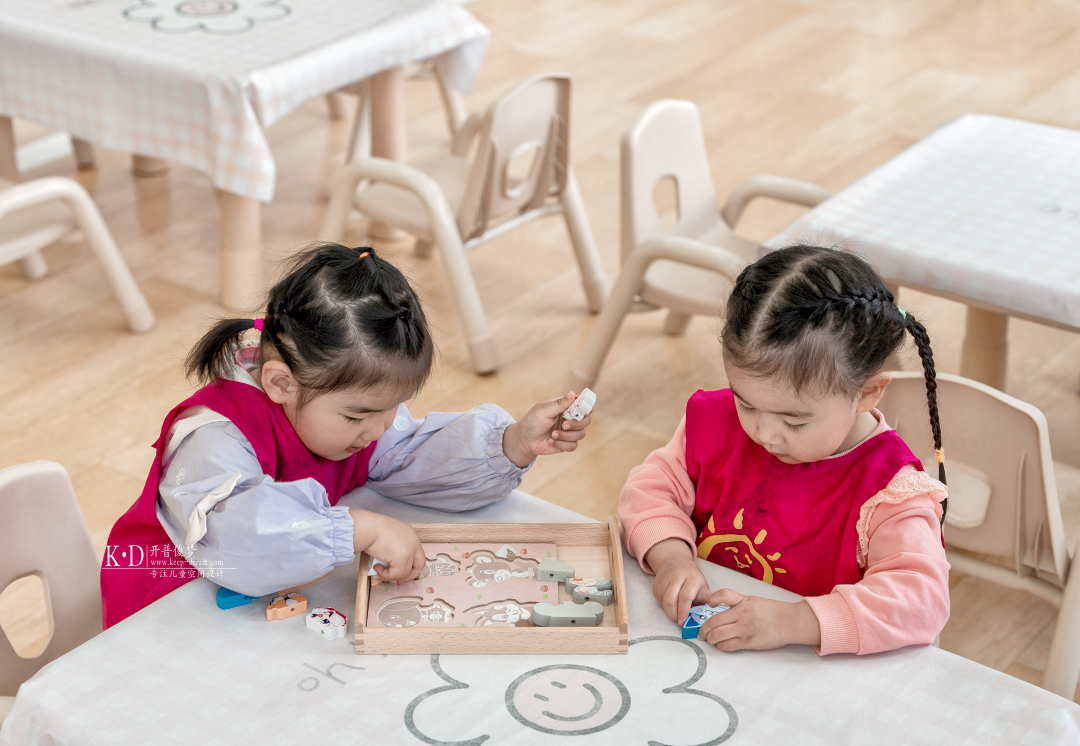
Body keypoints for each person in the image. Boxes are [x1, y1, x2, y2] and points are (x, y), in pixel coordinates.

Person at [101, 244, 591, 628]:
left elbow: (410, 455)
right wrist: (362, 529)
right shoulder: (213, 438)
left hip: (259, 608)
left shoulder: (339, 399)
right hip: (167, 608)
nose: (377, 430)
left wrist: (511, 444)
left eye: (391, 409)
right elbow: (236, 540)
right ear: (280, 383)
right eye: (359, 417)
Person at [619, 245, 950, 656]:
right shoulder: (715, 422)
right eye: (746, 403)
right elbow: (651, 489)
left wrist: (796, 622)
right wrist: (670, 558)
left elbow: (921, 602)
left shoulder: (891, 491)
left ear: (867, 393)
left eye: (794, 421)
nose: (764, 433)